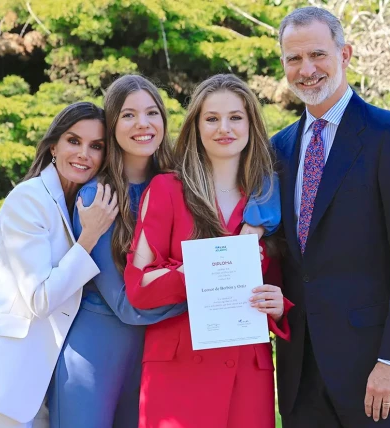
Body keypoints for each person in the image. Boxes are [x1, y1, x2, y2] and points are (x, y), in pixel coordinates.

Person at [48, 75, 282, 427]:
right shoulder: (110, 196)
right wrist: (213, 277)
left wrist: (273, 300)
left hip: (205, 358)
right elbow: (131, 300)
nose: (142, 124)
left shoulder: (240, 193)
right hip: (109, 347)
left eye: (152, 113)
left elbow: (280, 274)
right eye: (128, 115)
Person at [272, 7, 390, 427]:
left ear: (344, 54)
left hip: (375, 370)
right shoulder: (278, 149)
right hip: (301, 375)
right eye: (294, 59)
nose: (306, 69)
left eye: (317, 54)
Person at [124, 74, 293, 428]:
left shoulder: (270, 199)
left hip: (248, 372)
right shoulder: (167, 189)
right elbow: (138, 287)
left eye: (235, 117)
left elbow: (283, 284)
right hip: (178, 371)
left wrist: (278, 306)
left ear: (251, 125)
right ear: (196, 127)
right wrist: (200, 270)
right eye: (212, 118)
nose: (224, 128)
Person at [0, 102, 118, 427]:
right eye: (74, 141)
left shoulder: (81, 202)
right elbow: (39, 299)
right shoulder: (28, 200)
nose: (84, 153)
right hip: (5, 386)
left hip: (46, 388)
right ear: (54, 146)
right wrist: (89, 237)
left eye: (96, 146)